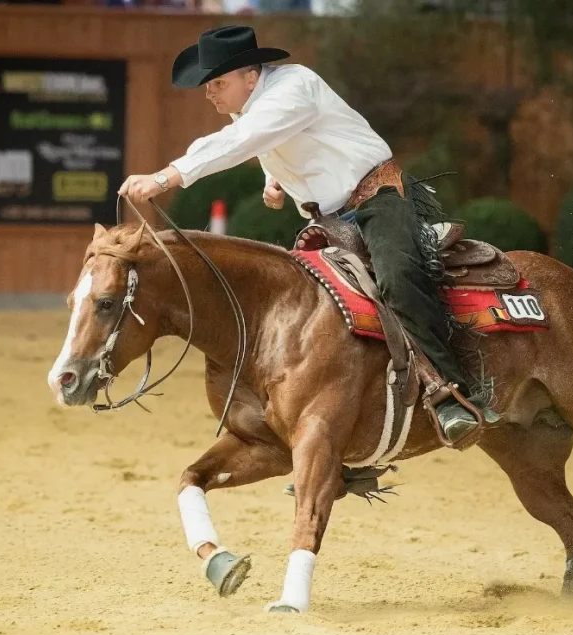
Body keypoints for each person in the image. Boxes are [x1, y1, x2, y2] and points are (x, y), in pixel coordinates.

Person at [117, 25, 480, 444]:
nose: (209, 93)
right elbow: (269, 138)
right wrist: (274, 178)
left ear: (250, 77)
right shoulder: (257, 105)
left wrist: (166, 177)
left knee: (398, 278)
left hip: (379, 199)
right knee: (307, 312)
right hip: (328, 219)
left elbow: (247, 137)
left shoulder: (295, 87)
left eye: (218, 82)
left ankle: (451, 391)